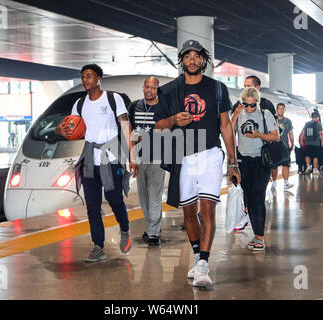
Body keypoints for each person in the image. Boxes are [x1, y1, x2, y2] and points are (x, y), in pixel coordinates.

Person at [154, 39, 240, 289]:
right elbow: (157, 124)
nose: (192, 60)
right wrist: (173, 119)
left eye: (197, 56)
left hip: (211, 154)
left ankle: (204, 263)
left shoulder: (217, 88)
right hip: (183, 157)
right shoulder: (169, 90)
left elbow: (226, 125)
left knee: (208, 209)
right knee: (188, 212)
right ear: (182, 60)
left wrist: (232, 161)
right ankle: (197, 256)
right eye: (187, 56)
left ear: (204, 59)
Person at [55, 64, 138, 262]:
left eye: (89, 76)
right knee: (92, 206)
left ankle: (125, 229)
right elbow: (68, 127)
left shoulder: (112, 98)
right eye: (83, 77)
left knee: (114, 199)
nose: (85, 80)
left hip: (111, 157)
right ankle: (98, 247)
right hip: (89, 158)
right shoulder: (79, 104)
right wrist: (60, 130)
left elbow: (126, 126)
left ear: (98, 78)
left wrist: (133, 157)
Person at [231, 86, 279, 251]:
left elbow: (275, 136)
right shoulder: (238, 114)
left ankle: (260, 237)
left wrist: (258, 135)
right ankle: (257, 233)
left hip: (261, 161)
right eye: (246, 104)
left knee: (258, 196)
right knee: (249, 199)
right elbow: (229, 134)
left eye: (253, 105)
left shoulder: (266, 114)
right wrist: (236, 114)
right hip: (244, 161)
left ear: (257, 102)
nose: (249, 108)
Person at [129, 76, 166, 246]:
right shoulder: (134, 106)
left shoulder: (164, 107)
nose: (149, 90)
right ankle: (152, 227)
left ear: (157, 89)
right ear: (143, 88)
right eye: (147, 87)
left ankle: (153, 233)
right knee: (143, 196)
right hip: (140, 156)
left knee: (155, 195)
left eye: (153, 87)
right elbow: (130, 132)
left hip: (158, 157)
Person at [270, 103, 294, 190]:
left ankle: (286, 183)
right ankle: (274, 182)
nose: (281, 110)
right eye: (279, 108)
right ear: (276, 110)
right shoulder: (272, 120)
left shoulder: (288, 121)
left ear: (284, 110)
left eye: (282, 109)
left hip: (285, 146)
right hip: (274, 145)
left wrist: (292, 143)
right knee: (274, 166)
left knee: (286, 164)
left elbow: (290, 133)